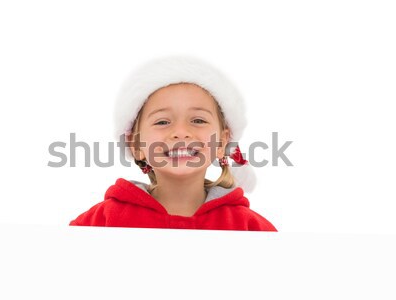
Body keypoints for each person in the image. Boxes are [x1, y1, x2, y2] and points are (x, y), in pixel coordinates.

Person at [69, 56, 277, 231]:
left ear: (222, 142)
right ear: (136, 144)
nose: (181, 133)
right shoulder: (100, 222)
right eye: (162, 122)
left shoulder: (251, 228)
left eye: (198, 120)